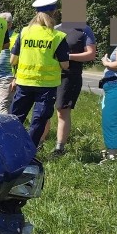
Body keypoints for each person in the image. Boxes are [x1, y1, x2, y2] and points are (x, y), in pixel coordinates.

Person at [9, 0, 70, 147]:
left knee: (15, 118)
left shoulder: (24, 33)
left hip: (24, 83)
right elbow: (65, 64)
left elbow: (12, 60)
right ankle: (29, 151)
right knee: (39, 120)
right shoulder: (57, 36)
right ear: (54, 13)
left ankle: (9, 146)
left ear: (36, 13)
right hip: (46, 86)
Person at [43, 14, 97, 156]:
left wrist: (67, 56)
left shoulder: (84, 30)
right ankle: (39, 142)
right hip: (50, 74)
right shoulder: (55, 29)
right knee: (44, 109)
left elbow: (91, 54)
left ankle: (59, 148)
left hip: (70, 76)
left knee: (62, 110)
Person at [0, 12, 16, 114]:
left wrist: (16, 78)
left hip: (8, 76)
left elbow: (20, 59)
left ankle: (5, 129)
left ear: (10, 24)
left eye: (5, 23)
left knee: (4, 105)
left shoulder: (16, 37)